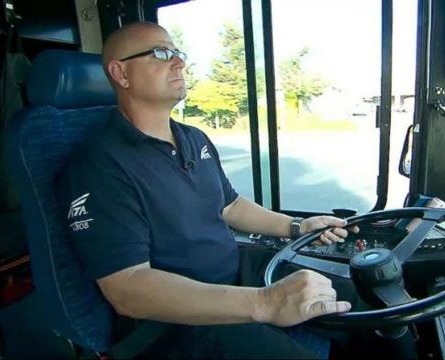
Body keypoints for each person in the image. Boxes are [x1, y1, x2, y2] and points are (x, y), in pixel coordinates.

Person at [58, 21, 358, 358]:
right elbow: (127, 288)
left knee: (361, 298)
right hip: (177, 321)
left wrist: (296, 226)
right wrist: (264, 302)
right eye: (161, 53)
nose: (179, 63)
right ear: (121, 74)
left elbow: (229, 206)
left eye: (178, 53)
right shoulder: (99, 165)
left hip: (236, 274)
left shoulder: (193, 138)